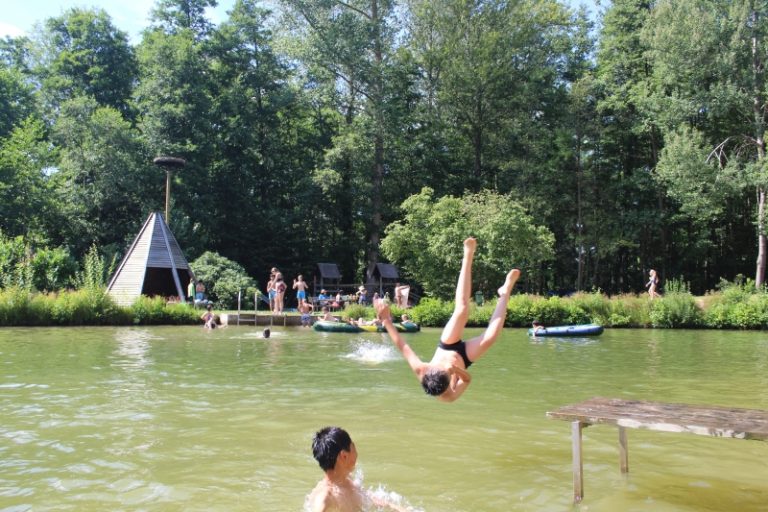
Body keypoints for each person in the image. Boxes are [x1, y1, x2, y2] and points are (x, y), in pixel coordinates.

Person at [375, 237, 520, 403]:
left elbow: (403, 345)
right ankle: (505, 292)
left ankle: (468, 255)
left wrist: (386, 320)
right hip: (464, 358)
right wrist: (457, 370)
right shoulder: (449, 396)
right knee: (491, 337)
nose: (444, 368)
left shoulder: (421, 369)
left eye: (440, 369)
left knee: (462, 310)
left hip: (447, 345)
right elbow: (467, 380)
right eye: (446, 372)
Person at [306, 426, 408, 512]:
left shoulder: (346, 480)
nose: (356, 451)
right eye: (353, 446)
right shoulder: (326, 497)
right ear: (344, 456)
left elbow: (366, 498)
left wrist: (396, 507)